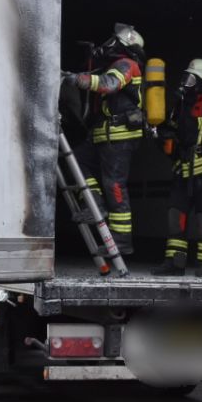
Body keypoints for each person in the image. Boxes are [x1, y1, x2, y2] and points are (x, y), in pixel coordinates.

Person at [64, 23, 146, 256]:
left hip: (120, 137)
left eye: (114, 40)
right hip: (104, 135)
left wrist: (75, 80)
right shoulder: (111, 66)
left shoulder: (127, 65)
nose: (108, 43)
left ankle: (121, 242)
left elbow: (109, 85)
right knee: (76, 162)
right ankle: (95, 206)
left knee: (115, 185)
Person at [157, 59, 202, 276]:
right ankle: (175, 263)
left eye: (190, 78)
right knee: (175, 216)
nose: (185, 82)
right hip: (182, 172)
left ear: (201, 83)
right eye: (185, 78)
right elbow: (169, 137)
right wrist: (163, 135)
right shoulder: (179, 107)